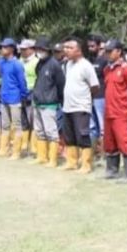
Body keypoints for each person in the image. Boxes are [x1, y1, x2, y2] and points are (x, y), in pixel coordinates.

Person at [102, 38, 127, 182]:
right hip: (109, 111)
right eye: (106, 51)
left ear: (119, 52)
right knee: (109, 142)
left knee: (124, 141)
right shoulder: (107, 69)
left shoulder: (126, 70)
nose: (108, 54)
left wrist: (126, 105)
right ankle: (112, 170)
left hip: (121, 112)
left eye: (110, 51)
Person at [61, 36, 99, 173]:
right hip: (67, 106)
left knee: (82, 135)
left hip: (81, 106)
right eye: (65, 48)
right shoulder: (68, 64)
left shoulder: (86, 66)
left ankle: (86, 164)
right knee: (69, 136)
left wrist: (86, 99)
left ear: (79, 50)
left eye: (70, 48)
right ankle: (72, 162)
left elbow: (95, 86)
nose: (66, 50)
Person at [30, 35, 66, 167]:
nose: (39, 51)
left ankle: (53, 159)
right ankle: (42, 156)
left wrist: (60, 100)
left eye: (41, 49)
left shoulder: (54, 65)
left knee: (51, 132)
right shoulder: (39, 64)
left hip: (50, 103)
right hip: (38, 102)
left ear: (47, 50)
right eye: (37, 49)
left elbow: (61, 84)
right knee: (39, 131)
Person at [0, 37, 29, 159]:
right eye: (1, 47)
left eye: (4, 47)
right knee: (5, 125)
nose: (2, 49)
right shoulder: (1, 62)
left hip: (15, 99)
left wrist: (23, 97)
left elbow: (22, 83)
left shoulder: (17, 64)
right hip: (4, 98)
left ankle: (16, 152)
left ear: (12, 49)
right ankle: (4, 149)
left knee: (17, 125)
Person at [86, 33, 108, 163]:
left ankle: (104, 154)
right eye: (88, 46)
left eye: (93, 46)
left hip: (101, 96)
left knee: (103, 127)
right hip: (90, 97)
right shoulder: (89, 60)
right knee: (92, 126)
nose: (90, 48)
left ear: (99, 46)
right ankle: (93, 153)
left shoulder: (104, 60)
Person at [18, 38, 38, 155]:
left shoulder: (36, 62)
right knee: (23, 120)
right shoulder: (20, 61)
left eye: (25, 49)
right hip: (21, 93)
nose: (22, 51)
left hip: (32, 92)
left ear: (31, 49)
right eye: (21, 49)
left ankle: (34, 146)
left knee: (33, 121)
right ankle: (24, 144)